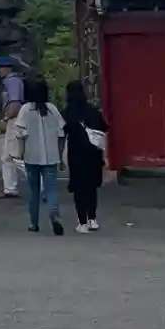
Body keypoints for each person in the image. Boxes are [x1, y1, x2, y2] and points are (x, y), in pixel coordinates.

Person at [14, 77, 65, 235]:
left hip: (31, 156)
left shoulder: (26, 110)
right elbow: (61, 134)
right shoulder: (52, 109)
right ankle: (54, 215)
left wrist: (20, 152)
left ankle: (34, 223)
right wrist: (61, 156)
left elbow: (20, 134)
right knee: (51, 188)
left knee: (33, 190)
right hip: (51, 156)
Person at [63, 79, 108, 234]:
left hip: (76, 154)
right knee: (91, 187)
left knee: (79, 189)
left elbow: (62, 132)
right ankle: (92, 219)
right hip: (94, 153)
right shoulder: (93, 111)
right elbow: (104, 129)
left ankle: (82, 222)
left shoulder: (68, 113)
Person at [0, 57, 26, 199]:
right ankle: (10, 188)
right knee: (7, 156)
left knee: (15, 156)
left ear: (8, 68)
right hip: (13, 119)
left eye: (1, 67)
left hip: (15, 120)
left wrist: (7, 117)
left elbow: (15, 103)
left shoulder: (12, 81)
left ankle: (41, 184)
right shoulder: (10, 81)